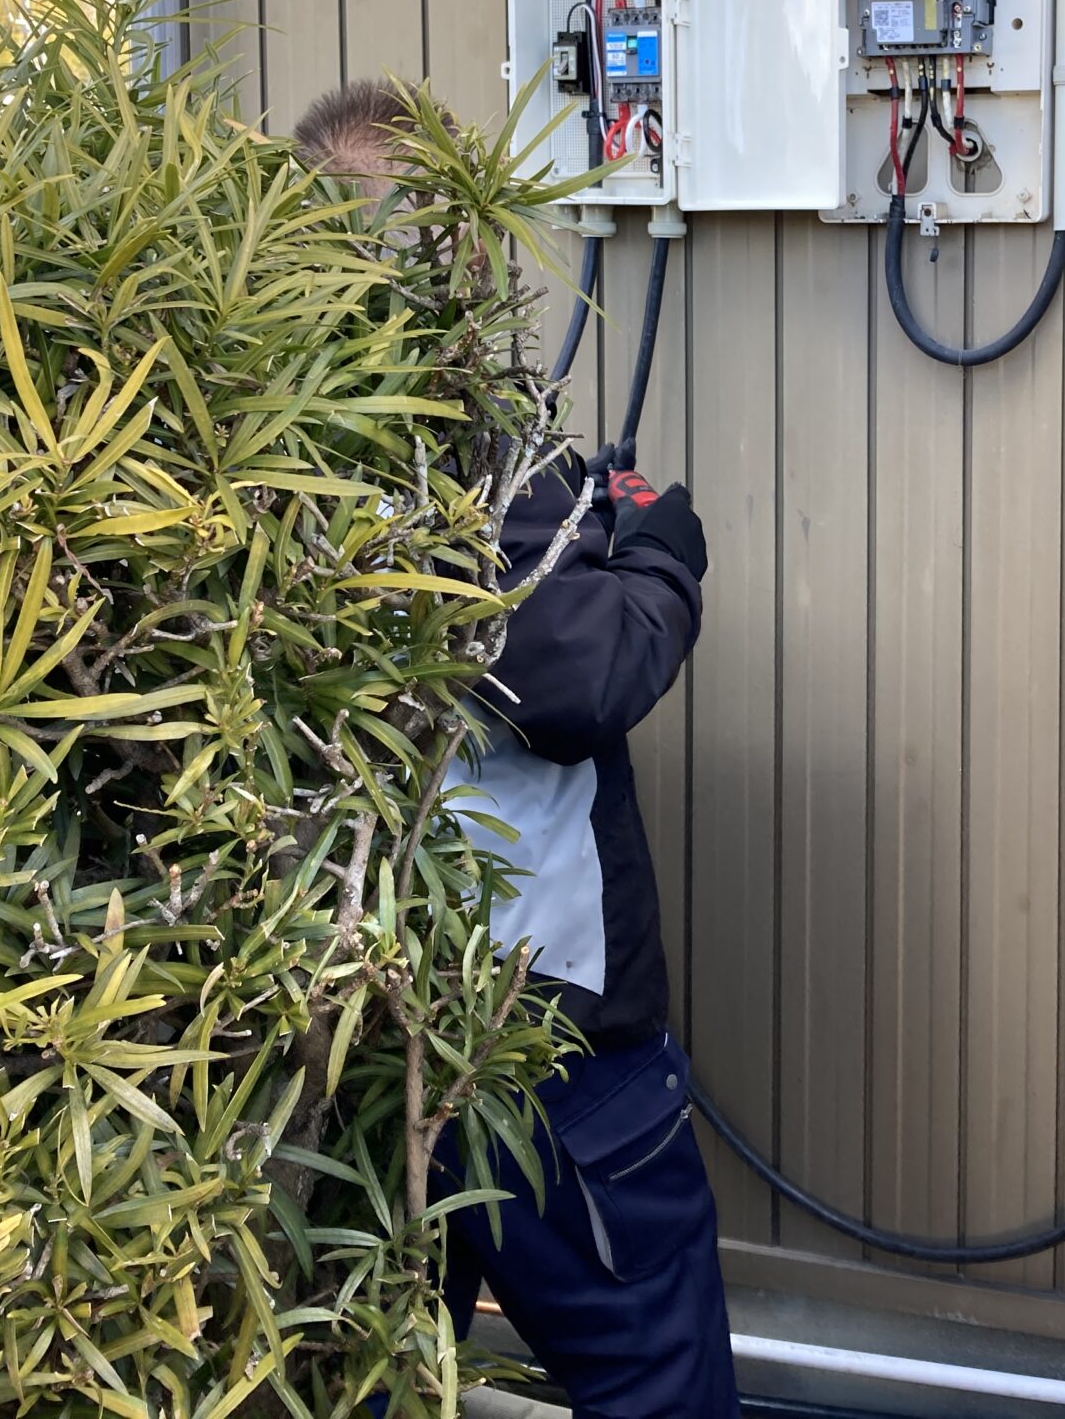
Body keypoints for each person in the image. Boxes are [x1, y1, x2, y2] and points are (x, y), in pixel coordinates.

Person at [294, 82, 737, 1419]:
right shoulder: (463, 454)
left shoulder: (254, 446)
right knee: (654, 1387)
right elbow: (580, 679)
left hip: (347, 1032)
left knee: (374, 1373)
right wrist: (658, 555)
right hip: (536, 1046)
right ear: (456, 254)